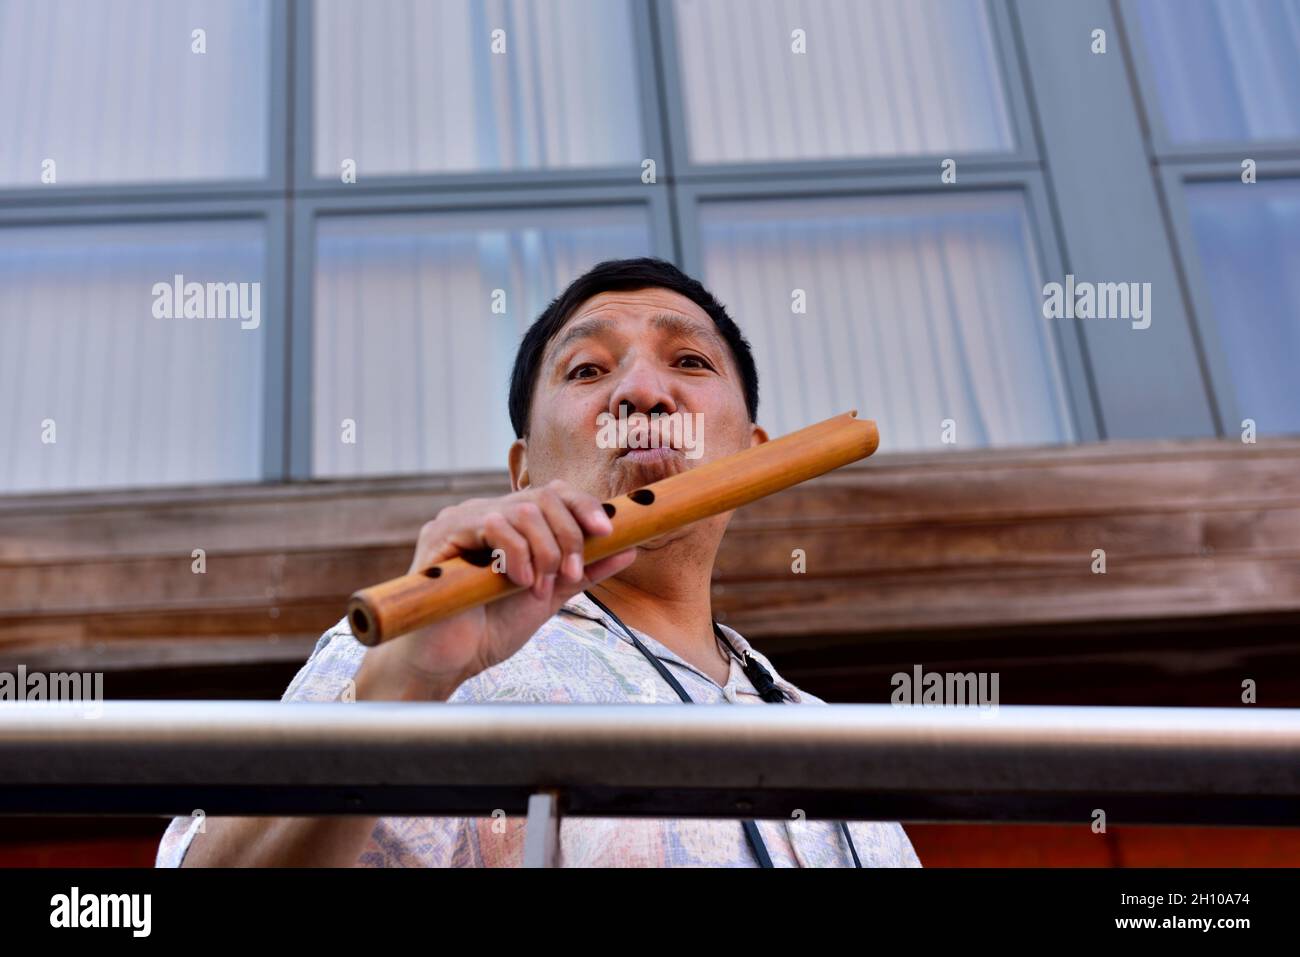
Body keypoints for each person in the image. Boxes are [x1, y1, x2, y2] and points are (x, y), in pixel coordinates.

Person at [157, 257, 920, 867]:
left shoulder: (828, 736)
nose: (643, 393)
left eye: (688, 360)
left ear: (760, 456)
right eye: (588, 371)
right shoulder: (424, 646)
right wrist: (405, 684)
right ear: (522, 472)